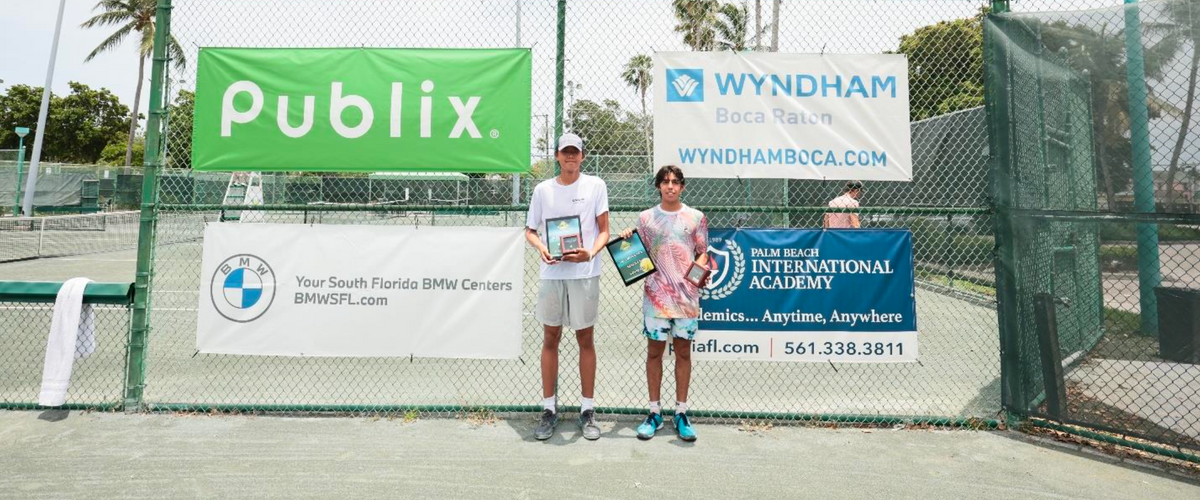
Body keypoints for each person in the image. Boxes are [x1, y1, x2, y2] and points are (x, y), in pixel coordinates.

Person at [525, 133, 610, 441]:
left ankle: (587, 410)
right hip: (552, 274)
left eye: (576, 152)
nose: (571, 157)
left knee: (585, 338)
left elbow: (604, 231)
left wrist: (591, 252)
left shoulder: (596, 186)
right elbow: (531, 231)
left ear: (582, 156)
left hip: (584, 273)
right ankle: (549, 409)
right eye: (566, 152)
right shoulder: (542, 190)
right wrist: (540, 248)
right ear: (557, 156)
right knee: (551, 337)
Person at [618, 165, 708, 442]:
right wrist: (626, 241)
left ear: (682, 187)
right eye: (665, 181)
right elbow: (638, 253)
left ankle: (681, 412)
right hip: (656, 297)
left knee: (683, 353)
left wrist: (695, 277)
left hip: (686, 300)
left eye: (675, 182)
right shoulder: (646, 218)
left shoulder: (696, 217)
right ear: (658, 186)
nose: (670, 186)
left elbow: (703, 252)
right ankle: (654, 412)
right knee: (654, 353)